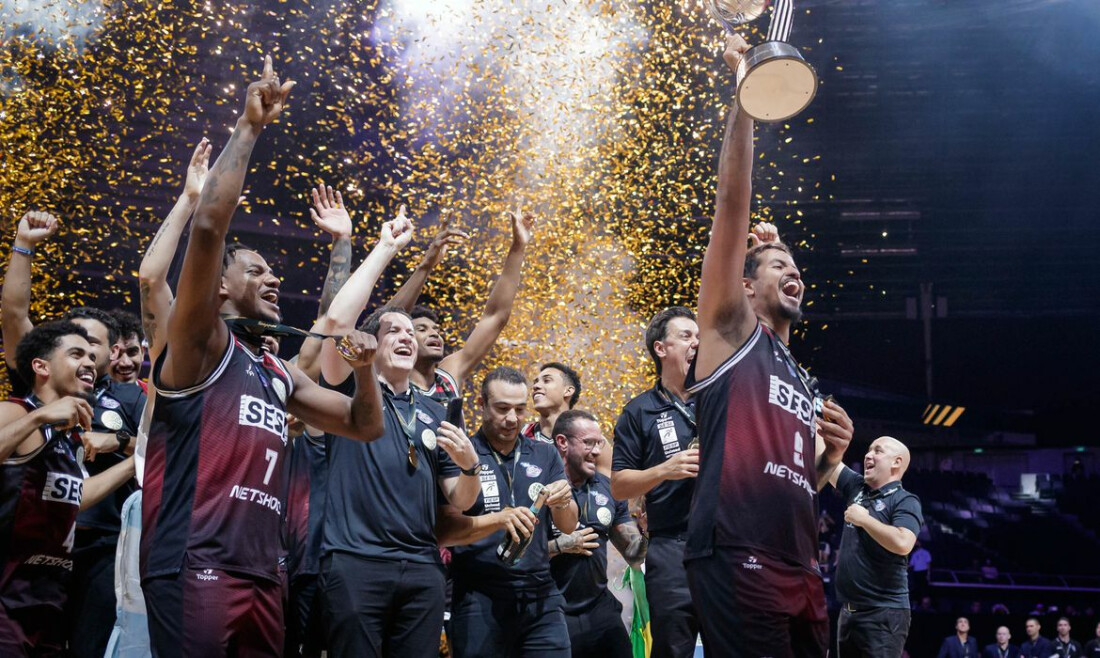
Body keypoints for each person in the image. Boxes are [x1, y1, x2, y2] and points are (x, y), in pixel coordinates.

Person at [138, 56, 386, 657]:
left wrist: (363, 371)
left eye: (274, 271)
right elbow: (207, 232)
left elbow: (363, 424)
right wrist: (249, 129)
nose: (274, 279)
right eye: (258, 271)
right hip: (195, 558)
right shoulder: (199, 344)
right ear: (221, 288)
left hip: (263, 572)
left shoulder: (274, 370)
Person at [681, 33, 854, 656]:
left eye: (795, 264)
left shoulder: (797, 376)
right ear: (744, 289)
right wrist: (747, 95)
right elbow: (733, 200)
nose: (795, 271)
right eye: (776, 265)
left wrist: (829, 456)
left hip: (803, 563)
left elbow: (792, 474)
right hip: (736, 552)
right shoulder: (729, 331)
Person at [0, 321, 137, 655]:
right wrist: (37, 418)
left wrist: (136, 460)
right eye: (77, 354)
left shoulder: (69, 436)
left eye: (92, 356)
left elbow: (75, 497)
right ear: (41, 366)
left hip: (47, 601)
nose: (90, 363)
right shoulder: (16, 411)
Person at [438, 366, 579, 657]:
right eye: (502, 408)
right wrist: (499, 519)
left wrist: (564, 501)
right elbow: (445, 532)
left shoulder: (545, 452)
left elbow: (568, 525)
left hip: (541, 595)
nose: (512, 419)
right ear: (481, 405)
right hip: (479, 596)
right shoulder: (463, 454)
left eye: (520, 409)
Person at [609, 305, 701, 658]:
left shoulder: (719, 400)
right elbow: (619, 484)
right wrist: (665, 469)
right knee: (673, 648)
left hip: (725, 545)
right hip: (671, 547)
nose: (696, 343)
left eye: (698, 337)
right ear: (661, 349)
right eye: (685, 336)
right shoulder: (640, 410)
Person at [395, 205, 535, 404]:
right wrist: (426, 265)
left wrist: (518, 247)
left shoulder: (448, 377)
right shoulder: (386, 381)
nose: (435, 333)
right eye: (422, 329)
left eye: (436, 329)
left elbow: (496, 317)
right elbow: (389, 318)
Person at [548, 410, 646, 658]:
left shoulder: (609, 489)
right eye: (588, 443)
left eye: (599, 443)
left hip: (599, 609)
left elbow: (634, 555)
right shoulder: (541, 488)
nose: (596, 451)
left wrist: (646, 531)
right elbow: (516, 554)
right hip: (551, 612)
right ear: (562, 443)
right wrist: (558, 545)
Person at [827, 436, 923, 657]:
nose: (868, 455)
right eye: (868, 450)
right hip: (848, 612)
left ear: (896, 462)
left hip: (883, 612)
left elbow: (903, 543)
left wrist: (865, 520)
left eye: (878, 451)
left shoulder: (905, 500)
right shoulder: (856, 487)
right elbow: (828, 461)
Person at [2, 210, 61, 397]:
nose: (87, 361)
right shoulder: (41, 387)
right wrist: (24, 242)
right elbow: (14, 317)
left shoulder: (135, 400)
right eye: (77, 352)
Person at [524, 362, 581, 443]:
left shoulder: (587, 437)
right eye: (535, 382)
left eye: (546, 380)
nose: (535, 386)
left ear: (568, 391)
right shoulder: (519, 436)